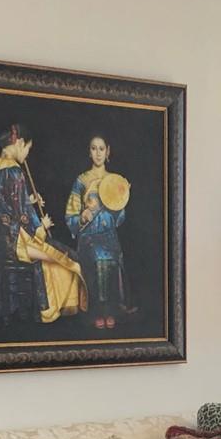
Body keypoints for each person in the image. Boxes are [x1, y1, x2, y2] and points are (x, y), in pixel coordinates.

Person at [0, 127, 85, 326]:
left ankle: (51, 308)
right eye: (27, 149)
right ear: (19, 143)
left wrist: (28, 200)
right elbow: (24, 217)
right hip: (18, 241)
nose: (27, 154)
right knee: (72, 262)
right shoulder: (15, 171)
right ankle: (50, 311)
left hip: (3, 237)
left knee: (59, 259)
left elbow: (7, 203)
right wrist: (42, 225)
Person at [65, 135, 132, 330]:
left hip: (109, 236)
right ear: (89, 152)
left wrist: (122, 197)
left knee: (111, 257)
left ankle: (110, 310)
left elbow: (119, 219)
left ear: (108, 151)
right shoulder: (82, 180)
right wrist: (82, 217)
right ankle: (98, 310)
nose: (98, 153)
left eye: (101, 149)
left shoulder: (114, 180)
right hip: (89, 237)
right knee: (98, 259)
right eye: (93, 148)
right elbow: (70, 215)